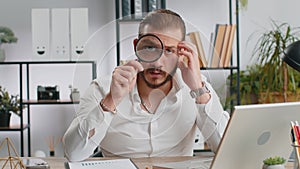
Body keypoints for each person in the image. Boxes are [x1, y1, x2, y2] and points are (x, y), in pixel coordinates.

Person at [63, 9, 229, 162]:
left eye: (169, 50)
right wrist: (111, 101)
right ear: (136, 46)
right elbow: (73, 153)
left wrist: (199, 90)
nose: (157, 62)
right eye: (150, 47)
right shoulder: (102, 88)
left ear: (182, 52)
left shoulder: (198, 88)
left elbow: (226, 149)